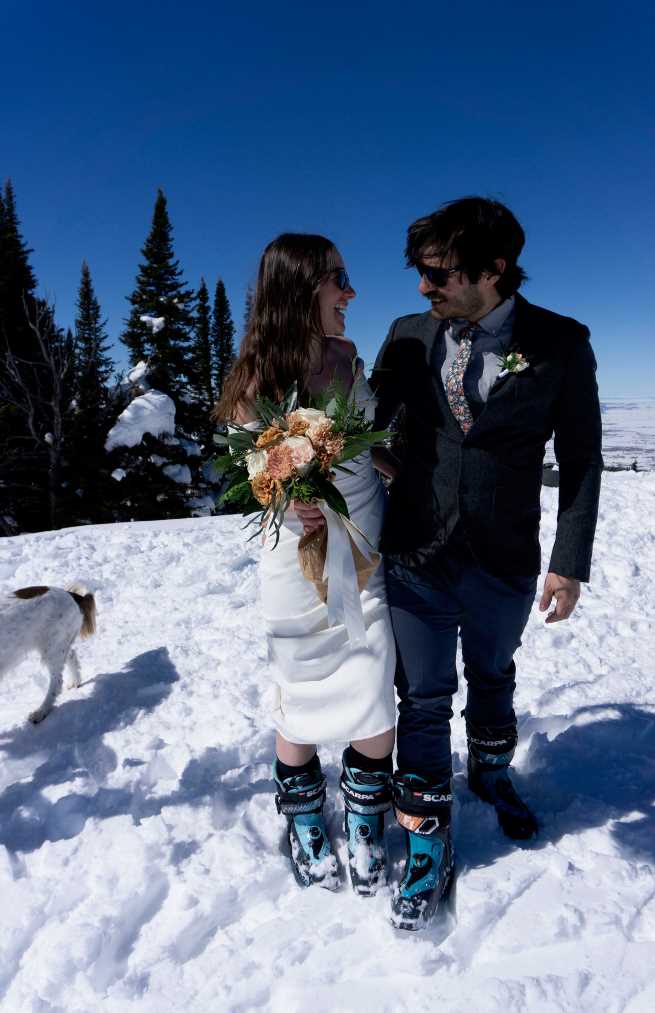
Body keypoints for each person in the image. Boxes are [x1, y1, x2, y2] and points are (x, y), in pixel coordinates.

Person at [369, 196, 603, 930]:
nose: (421, 287)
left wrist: (567, 562)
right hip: (414, 551)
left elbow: (582, 459)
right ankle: (427, 835)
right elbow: (369, 430)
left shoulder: (561, 341)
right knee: (424, 693)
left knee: (493, 672)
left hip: (505, 554)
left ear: (493, 269)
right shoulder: (407, 335)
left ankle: (493, 771)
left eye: (437, 272)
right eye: (419, 271)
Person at [214, 234, 397, 895]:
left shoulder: (347, 358)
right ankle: (302, 818)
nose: (350, 292)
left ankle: (365, 817)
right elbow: (251, 465)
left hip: (363, 546)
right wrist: (287, 496)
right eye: (338, 278)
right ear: (301, 288)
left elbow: (364, 442)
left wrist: (401, 470)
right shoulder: (254, 377)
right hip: (296, 561)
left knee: (374, 689)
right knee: (299, 697)